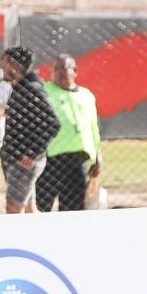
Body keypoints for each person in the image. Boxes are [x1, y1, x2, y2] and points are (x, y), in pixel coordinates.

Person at [35, 55, 102, 212]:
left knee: (73, 208)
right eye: (55, 68)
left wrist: (98, 157)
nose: (58, 72)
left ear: (75, 71)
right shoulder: (45, 91)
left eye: (63, 68)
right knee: (41, 206)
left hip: (78, 159)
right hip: (50, 159)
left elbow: (93, 128)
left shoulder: (86, 95)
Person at [0, 45, 59, 214]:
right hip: (19, 158)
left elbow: (53, 122)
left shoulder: (31, 89)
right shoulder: (22, 88)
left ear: (14, 65)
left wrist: (32, 153)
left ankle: (17, 240)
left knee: (14, 208)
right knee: (29, 208)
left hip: (24, 161)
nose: (1, 68)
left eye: (4, 64)